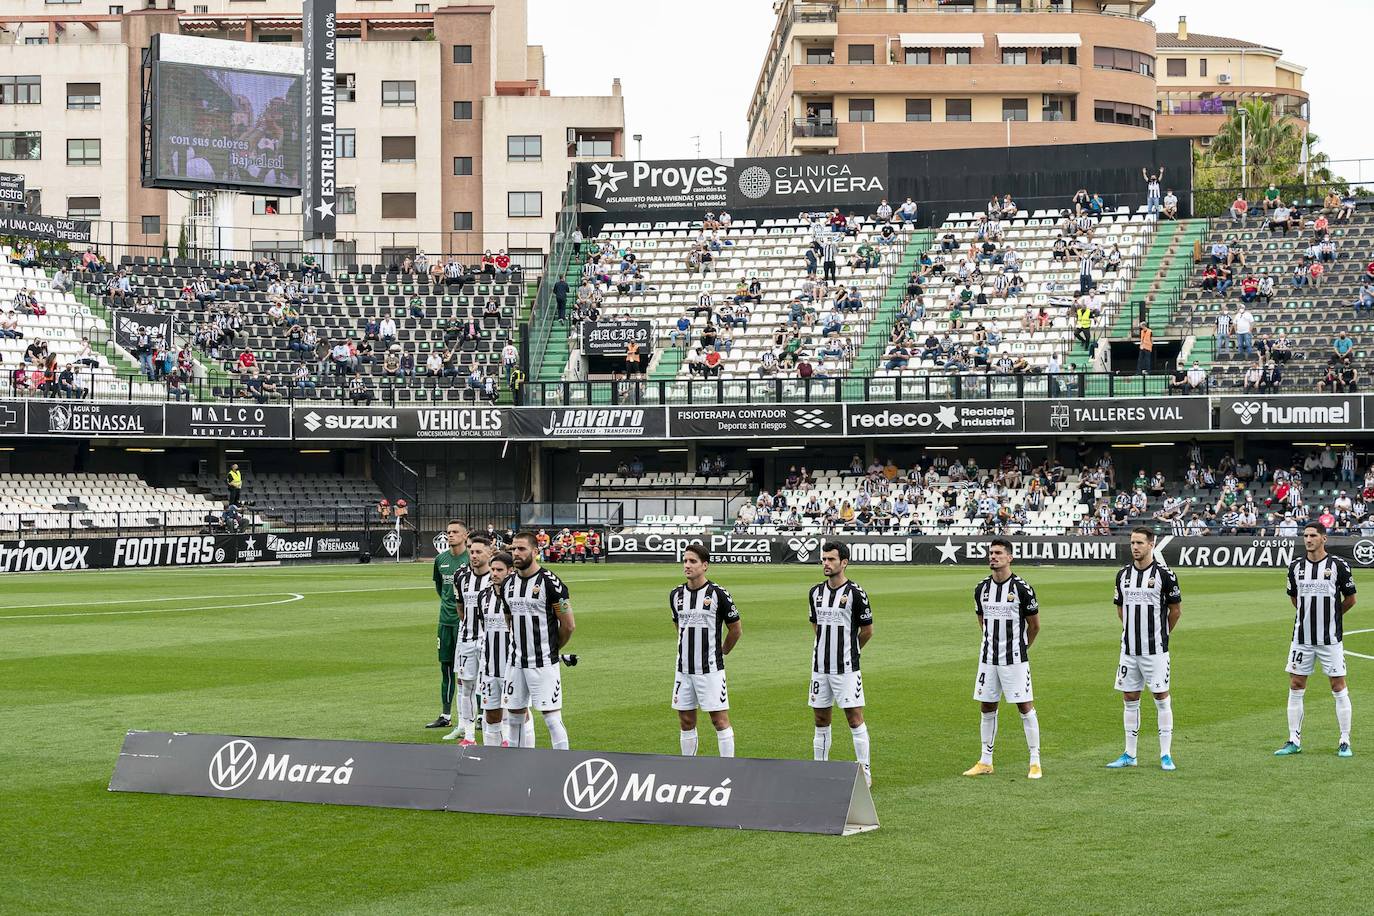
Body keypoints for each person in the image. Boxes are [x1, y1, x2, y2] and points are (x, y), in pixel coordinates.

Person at [1275, 522, 1357, 758]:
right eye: (1305, 535)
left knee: (1338, 686)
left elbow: (1351, 599)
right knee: (1296, 684)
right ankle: (1293, 739)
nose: (1308, 539)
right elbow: (1295, 600)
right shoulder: (1295, 567)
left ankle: (1344, 740)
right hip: (1301, 638)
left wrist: (1331, 616)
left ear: (1324, 538)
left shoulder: (1339, 566)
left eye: (1313, 535)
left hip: (1330, 639)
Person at [962, 539, 1043, 780]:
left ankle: (1035, 761)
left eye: (998, 553)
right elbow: (982, 620)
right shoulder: (981, 588)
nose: (993, 557)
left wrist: (1020, 647)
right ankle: (986, 760)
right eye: (991, 553)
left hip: (1015, 659)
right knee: (987, 706)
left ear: (1010, 557)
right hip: (988, 659)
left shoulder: (1021, 588)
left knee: (1025, 706)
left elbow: (1035, 626)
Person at [1107, 527, 1183, 771]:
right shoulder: (1123, 575)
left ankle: (1166, 754)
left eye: (1140, 542)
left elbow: (1175, 610)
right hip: (1128, 650)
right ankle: (1130, 754)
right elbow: (1121, 609)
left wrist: (1160, 634)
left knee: (1161, 698)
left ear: (1152, 544)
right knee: (1130, 698)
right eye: (1132, 543)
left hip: (1156, 650)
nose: (1135, 547)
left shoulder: (1165, 574)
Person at [809, 541, 874, 786]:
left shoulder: (856, 593)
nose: (826, 563)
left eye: (831, 559)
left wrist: (850, 650)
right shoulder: (815, 592)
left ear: (843, 562)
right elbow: (815, 625)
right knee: (820, 719)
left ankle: (865, 773)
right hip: (819, 667)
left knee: (854, 717)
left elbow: (867, 630)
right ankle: (819, 769)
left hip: (846, 667)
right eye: (824, 559)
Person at [502, 531, 574, 749]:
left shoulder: (550, 583)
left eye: (521, 549)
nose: (516, 553)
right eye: (513, 548)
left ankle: (562, 768)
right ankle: (515, 769)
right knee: (514, 718)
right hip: (515, 663)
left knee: (551, 718)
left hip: (543, 662)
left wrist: (552, 649)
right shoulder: (507, 584)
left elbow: (569, 625)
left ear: (535, 551)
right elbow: (509, 619)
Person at [670, 545, 742, 758]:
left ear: (705, 565)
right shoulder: (676, 595)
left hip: (710, 669)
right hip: (683, 669)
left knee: (719, 720)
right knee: (686, 721)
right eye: (685, 561)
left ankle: (728, 768)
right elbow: (679, 627)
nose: (687, 565)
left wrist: (722, 651)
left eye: (692, 561)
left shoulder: (718, 594)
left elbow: (736, 629)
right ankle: (688, 767)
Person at [472, 551, 533, 747]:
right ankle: (493, 763)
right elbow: (484, 629)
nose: (494, 573)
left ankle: (527, 757)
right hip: (489, 667)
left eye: (499, 570)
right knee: (491, 715)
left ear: (510, 571)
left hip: (514, 666)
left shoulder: (518, 596)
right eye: (492, 569)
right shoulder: (483, 597)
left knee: (519, 714)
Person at [444, 535, 494, 745]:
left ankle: (496, 734)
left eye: (478, 552)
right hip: (467, 639)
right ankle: (470, 735)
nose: (473, 555)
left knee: (492, 687)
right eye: (471, 552)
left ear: (489, 553)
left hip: (491, 641)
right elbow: (460, 608)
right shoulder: (460, 576)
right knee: (466, 687)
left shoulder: (497, 576)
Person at [427, 520, 470, 731]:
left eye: (454, 532)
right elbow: (439, 586)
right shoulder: (440, 559)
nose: (450, 535)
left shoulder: (472, 558)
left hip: (467, 623)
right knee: (446, 668)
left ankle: (478, 716)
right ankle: (445, 714)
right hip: (444, 622)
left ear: (465, 535)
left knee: (472, 671)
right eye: (448, 532)